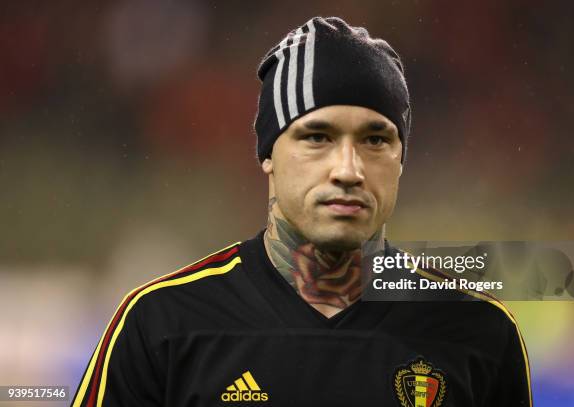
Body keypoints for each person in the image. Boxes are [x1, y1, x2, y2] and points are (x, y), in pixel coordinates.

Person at [72, 17, 531, 407]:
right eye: (318, 137)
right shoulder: (162, 326)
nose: (348, 169)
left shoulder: (480, 335)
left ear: (401, 158)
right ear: (268, 154)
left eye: (376, 139)